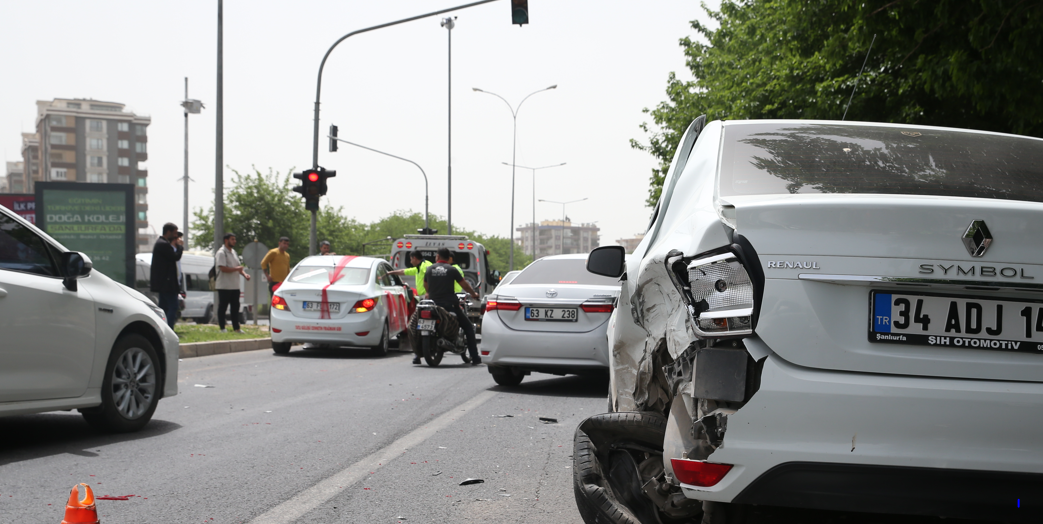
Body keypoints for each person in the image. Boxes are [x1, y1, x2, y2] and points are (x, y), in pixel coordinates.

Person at [424, 247, 481, 366]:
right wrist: (473, 294)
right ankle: (475, 357)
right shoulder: (452, 269)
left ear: (437, 256)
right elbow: (465, 285)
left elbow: (426, 285)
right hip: (449, 305)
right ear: (449, 258)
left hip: (433, 305)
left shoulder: (429, 269)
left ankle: (416, 356)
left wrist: (431, 293)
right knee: (469, 328)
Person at [391, 251, 433, 364]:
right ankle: (418, 354)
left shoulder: (426, 266)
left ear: (414, 258)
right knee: (417, 325)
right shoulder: (418, 268)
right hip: (423, 299)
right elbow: (404, 271)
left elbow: (430, 279)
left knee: (420, 324)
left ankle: (420, 353)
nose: (410, 261)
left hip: (429, 298)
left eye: (410, 259)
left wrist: (428, 291)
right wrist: (391, 272)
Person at [149, 222, 183, 329]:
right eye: (175, 233)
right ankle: (168, 329)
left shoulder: (162, 243)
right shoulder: (163, 244)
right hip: (167, 283)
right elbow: (175, 257)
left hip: (164, 283)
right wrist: (180, 247)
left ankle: (160, 329)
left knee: (163, 308)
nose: (176, 236)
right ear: (168, 232)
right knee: (174, 306)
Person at [216, 232, 251, 333]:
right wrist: (236, 269)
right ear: (226, 240)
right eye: (232, 239)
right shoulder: (221, 253)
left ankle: (237, 328)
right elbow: (223, 268)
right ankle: (222, 328)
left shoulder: (234, 252)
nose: (234, 241)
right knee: (223, 307)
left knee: (235, 308)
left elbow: (239, 268)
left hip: (235, 285)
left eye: (235, 239)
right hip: (224, 286)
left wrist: (245, 274)